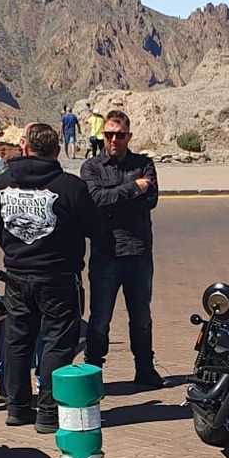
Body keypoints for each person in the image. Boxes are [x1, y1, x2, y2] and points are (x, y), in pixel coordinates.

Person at [0, 121, 101, 433]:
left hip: (18, 275)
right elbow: (93, 227)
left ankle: (17, 407)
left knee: (18, 341)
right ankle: (49, 413)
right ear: (56, 150)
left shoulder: (1, 182)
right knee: (58, 344)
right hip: (58, 276)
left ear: (25, 147)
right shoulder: (70, 186)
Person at [81, 109, 163, 389]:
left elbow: (150, 199)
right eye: (109, 134)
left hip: (138, 253)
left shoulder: (144, 163)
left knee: (141, 316)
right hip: (106, 254)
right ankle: (93, 372)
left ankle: (145, 367)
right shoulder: (91, 167)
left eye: (120, 134)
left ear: (129, 136)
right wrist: (132, 189)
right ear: (102, 135)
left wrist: (118, 196)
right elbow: (96, 200)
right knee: (100, 319)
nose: (114, 139)